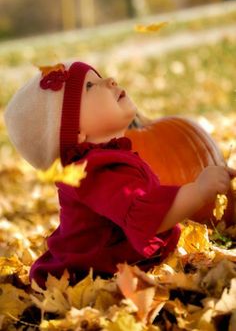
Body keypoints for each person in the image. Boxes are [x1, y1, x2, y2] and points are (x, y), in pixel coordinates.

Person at [4, 61, 235, 288]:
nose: (110, 80)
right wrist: (199, 190)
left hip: (116, 266)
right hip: (85, 277)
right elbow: (145, 215)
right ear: (75, 131)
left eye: (99, 77)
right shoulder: (94, 172)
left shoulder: (105, 158)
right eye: (90, 87)